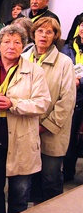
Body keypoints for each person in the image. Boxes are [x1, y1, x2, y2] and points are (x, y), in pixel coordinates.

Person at [0, 25, 51, 213]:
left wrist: (13, 104)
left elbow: (43, 103)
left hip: (21, 141)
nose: (12, 46)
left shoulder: (35, 71)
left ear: (23, 47)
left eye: (17, 42)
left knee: (20, 193)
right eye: (7, 42)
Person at [22, 17, 76, 203]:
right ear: (33, 33)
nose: (43, 35)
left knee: (50, 178)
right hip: (27, 128)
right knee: (30, 178)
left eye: (49, 32)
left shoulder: (64, 63)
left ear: (55, 36)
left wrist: (44, 126)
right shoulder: (23, 59)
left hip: (53, 130)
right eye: (40, 31)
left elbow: (67, 101)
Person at [61, 16, 83, 182]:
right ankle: (68, 173)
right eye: (82, 25)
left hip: (80, 89)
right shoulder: (68, 48)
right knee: (70, 137)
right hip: (73, 98)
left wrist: (80, 81)